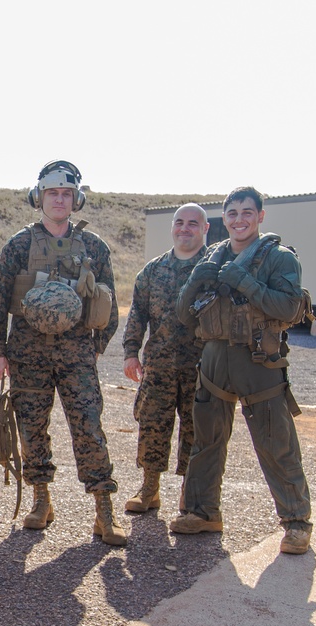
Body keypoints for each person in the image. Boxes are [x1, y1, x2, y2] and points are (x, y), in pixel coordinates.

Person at [0, 160, 127, 546]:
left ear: (75, 199)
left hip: (77, 354)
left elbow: (108, 302)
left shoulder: (93, 246)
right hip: (27, 355)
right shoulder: (19, 245)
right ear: (39, 197)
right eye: (52, 193)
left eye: (66, 194)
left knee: (89, 429)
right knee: (32, 430)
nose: (59, 200)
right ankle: (41, 501)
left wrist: (97, 347)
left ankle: (104, 510)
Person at [171, 186, 313, 554]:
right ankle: (202, 512)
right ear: (225, 218)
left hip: (258, 359)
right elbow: (185, 316)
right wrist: (195, 282)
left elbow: (287, 308)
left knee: (276, 442)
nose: (239, 220)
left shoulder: (280, 258)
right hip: (215, 356)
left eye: (246, 212)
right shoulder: (213, 256)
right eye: (232, 213)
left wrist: (244, 282)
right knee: (206, 440)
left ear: (260, 216)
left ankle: (297, 523)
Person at [121, 204, 209, 512]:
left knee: (195, 430)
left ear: (205, 229)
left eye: (193, 224)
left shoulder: (212, 269)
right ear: (173, 227)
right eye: (180, 222)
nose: (185, 228)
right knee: (152, 426)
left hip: (201, 367)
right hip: (158, 365)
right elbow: (137, 315)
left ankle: (190, 492)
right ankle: (149, 489)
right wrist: (131, 353)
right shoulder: (153, 270)